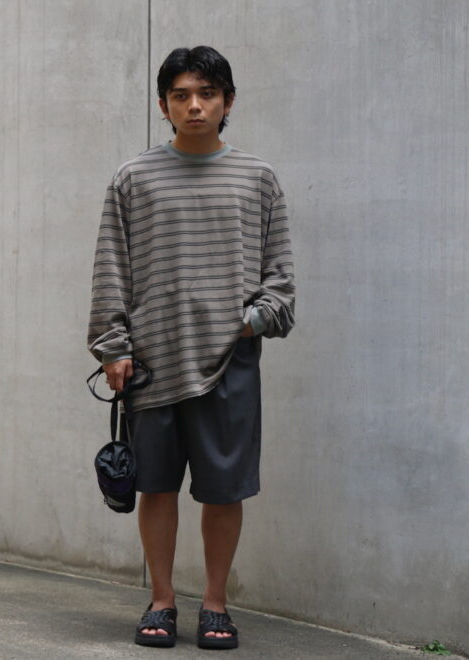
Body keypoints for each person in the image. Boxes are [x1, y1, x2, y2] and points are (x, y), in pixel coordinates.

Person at [87, 45, 295, 650]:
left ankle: (215, 605)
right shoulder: (133, 178)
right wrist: (112, 346)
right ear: (163, 105)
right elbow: (111, 267)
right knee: (155, 486)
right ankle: (161, 600)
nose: (195, 105)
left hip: (231, 363)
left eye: (207, 93)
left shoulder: (258, 178)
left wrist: (247, 322)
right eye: (181, 95)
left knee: (224, 490)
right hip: (152, 363)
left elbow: (281, 281)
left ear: (228, 101)